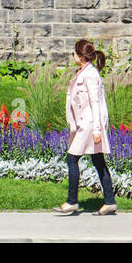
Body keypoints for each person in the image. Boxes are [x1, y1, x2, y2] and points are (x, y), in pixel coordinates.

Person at [54, 39, 117, 215]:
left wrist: (97, 130)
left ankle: (72, 201)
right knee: (98, 161)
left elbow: (96, 103)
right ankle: (110, 202)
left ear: (81, 57)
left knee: (72, 158)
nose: (72, 56)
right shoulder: (84, 72)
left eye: (74, 53)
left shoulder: (91, 75)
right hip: (85, 123)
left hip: (90, 125)